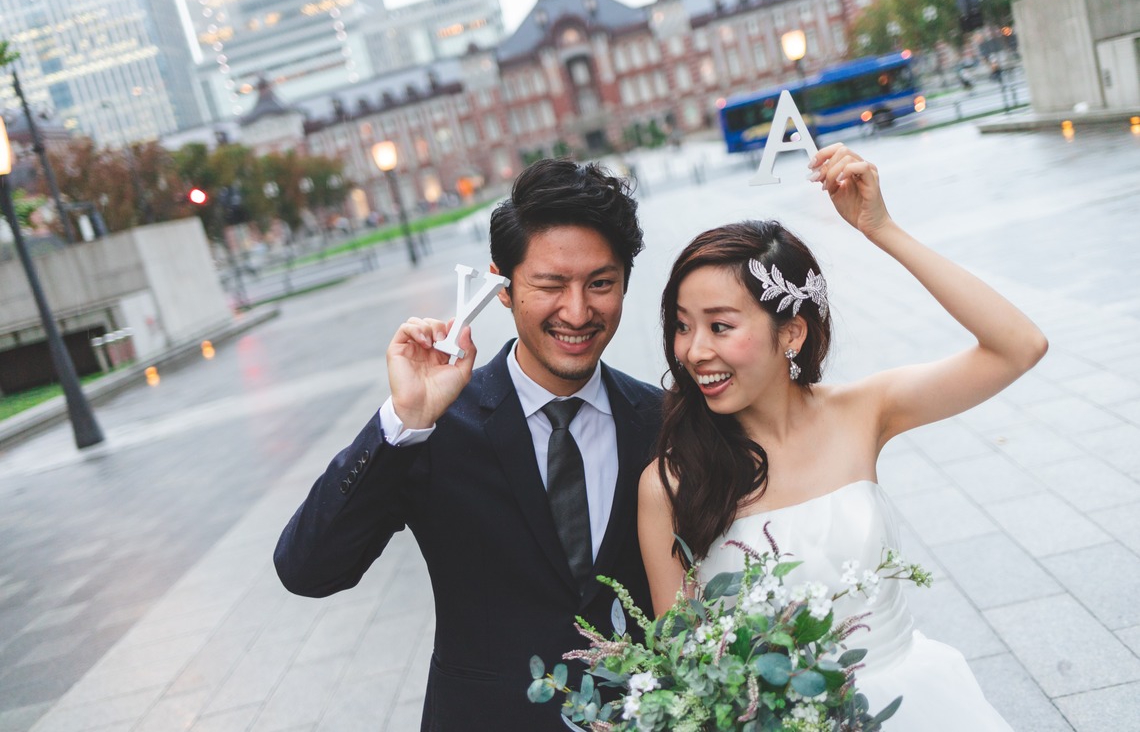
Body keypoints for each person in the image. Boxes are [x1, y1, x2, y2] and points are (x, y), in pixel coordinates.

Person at [639, 143, 1047, 729]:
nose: (694, 351)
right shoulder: (671, 483)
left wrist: (882, 229)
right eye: (681, 326)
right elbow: (685, 671)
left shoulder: (866, 411)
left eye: (720, 326)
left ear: (792, 333)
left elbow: (1019, 346)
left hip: (917, 706)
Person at [274, 159, 662, 731]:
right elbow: (307, 570)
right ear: (502, 287)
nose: (577, 312)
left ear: (624, 283)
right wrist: (403, 421)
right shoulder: (434, 428)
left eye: (599, 284)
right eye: (550, 285)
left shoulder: (662, 421)